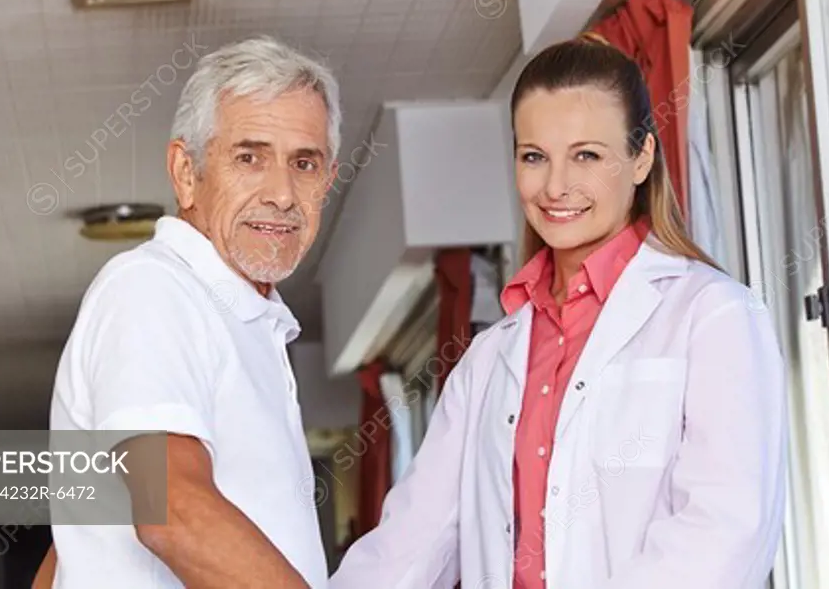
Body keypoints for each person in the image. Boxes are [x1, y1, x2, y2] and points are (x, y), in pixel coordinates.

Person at [329, 36, 787, 589]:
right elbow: (410, 543)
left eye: (586, 155)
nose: (555, 186)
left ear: (641, 158)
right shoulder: (489, 358)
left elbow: (724, 533)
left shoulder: (713, 316)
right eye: (534, 157)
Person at [35, 35, 341, 588]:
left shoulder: (247, 318)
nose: (282, 192)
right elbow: (171, 509)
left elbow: (81, 532)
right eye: (249, 157)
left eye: (305, 163)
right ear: (185, 172)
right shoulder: (153, 289)